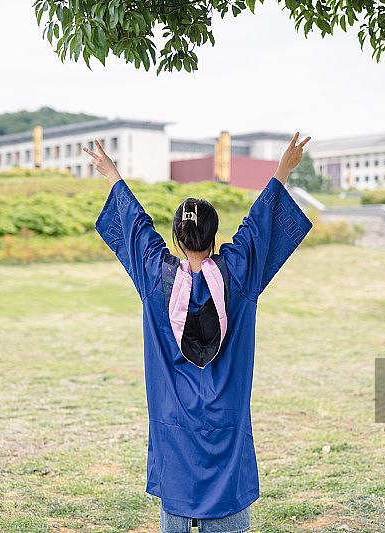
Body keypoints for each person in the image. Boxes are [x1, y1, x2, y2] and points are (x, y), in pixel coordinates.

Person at [85, 132, 312, 533]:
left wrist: (111, 173)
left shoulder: (157, 277)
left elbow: (135, 227)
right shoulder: (238, 276)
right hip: (226, 430)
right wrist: (282, 169)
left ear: (176, 237)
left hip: (174, 433)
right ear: (214, 236)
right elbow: (258, 227)